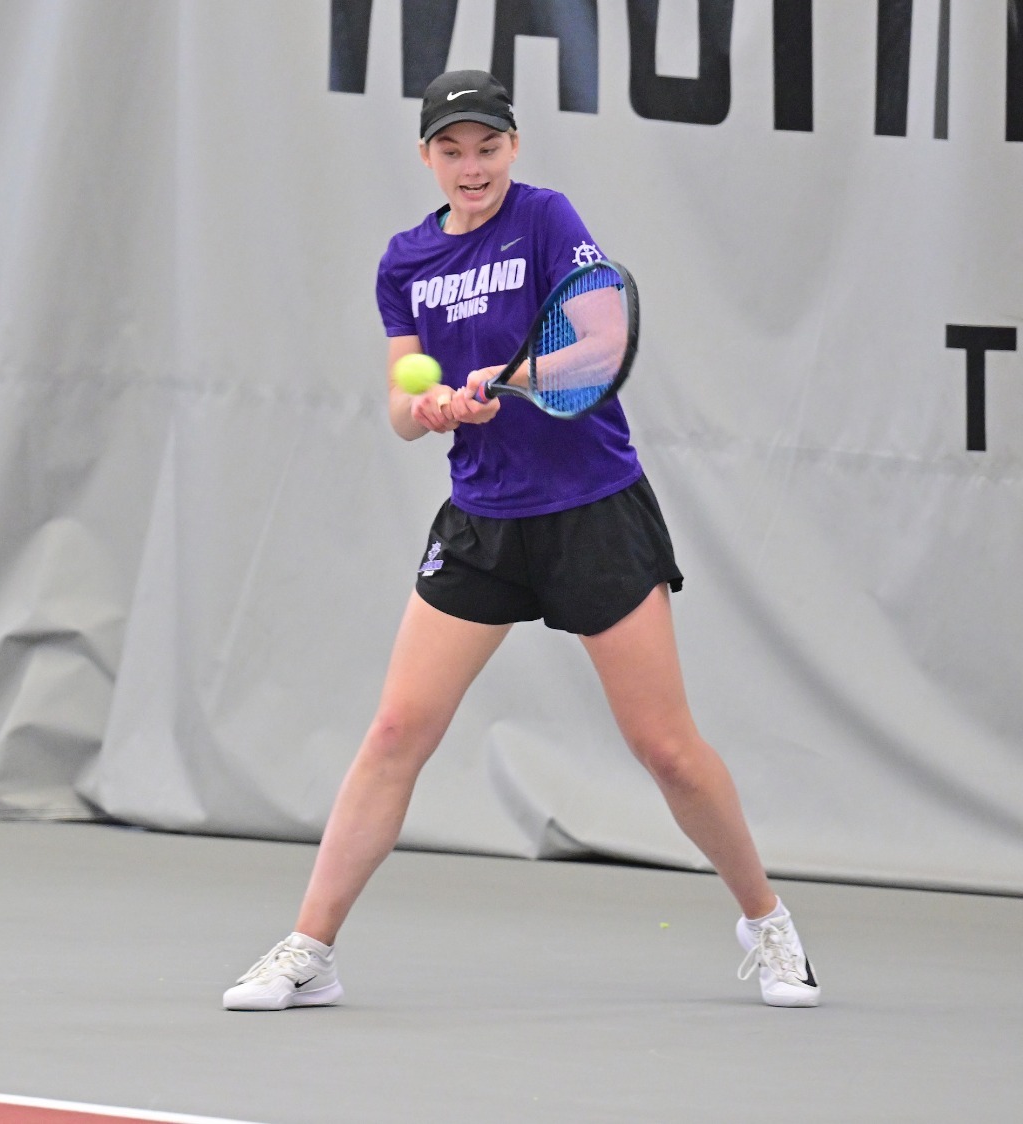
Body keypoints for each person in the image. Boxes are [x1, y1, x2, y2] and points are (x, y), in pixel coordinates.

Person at [223, 70, 818, 1011]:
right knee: (392, 733)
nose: (472, 166)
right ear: (426, 156)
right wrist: (427, 406)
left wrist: (500, 378)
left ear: (513, 148)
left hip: (593, 509)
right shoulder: (406, 262)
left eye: (488, 147)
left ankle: (767, 921)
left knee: (664, 747)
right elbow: (398, 410)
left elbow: (598, 344)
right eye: (452, 150)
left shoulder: (545, 219)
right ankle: (310, 948)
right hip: (482, 522)